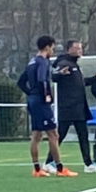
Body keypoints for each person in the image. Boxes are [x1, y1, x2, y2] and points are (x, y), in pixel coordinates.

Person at [16, 35, 77, 178]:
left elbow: (20, 82)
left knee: (36, 135)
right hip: (41, 102)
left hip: (33, 100)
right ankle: (60, 168)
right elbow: (42, 79)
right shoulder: (43, 62)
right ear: (47, 47)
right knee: (53, 135)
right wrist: (46, 95)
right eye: (52, 48)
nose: (53, 51)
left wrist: (31, 94)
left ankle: (37, 169)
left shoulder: (32, 62)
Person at [44, 40, 96, 174]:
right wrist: (60, 74)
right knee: (61, 135)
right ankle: (48, 162)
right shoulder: (64, 63)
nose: (79, 50)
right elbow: (54, 76)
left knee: (83, 135)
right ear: (69, 49)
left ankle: (88, 164)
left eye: (80, 48)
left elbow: (81, 83)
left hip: (79, 107)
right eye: (76, 48)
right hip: (68, 107)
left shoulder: (75, 65)